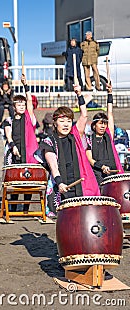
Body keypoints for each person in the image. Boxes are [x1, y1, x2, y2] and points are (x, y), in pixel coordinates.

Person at [36, 85, 100, 216]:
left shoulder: (75, 135)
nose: (66, 124)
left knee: (84, 217)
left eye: (69, 121)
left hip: (79, 182)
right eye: (62, 121)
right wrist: (60, 184)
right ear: (55, 123)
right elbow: (53, 167)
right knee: (67, 220)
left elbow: (84, 115)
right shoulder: (49, 142)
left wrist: (79, 94)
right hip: (62, 184)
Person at [0, 74, 38, 212]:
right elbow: (8, 136)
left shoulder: (29, 118)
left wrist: (25, 85)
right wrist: (13, 147)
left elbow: (29, 101)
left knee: (28, 179)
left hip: (28, 153)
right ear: (14, 106)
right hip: (13, 151)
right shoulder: (9, 121)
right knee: (15, 180)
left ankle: (26, 208)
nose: (22, 106)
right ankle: (14, 206)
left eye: (23, 104)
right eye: (18, 104)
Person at [86, 84, 124, 185]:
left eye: (105, 124)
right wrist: (101, 167)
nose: (103, 126)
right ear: (94, 126)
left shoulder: (109, 135)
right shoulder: (88, 139)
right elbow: (90, 159)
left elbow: (110, 113)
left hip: (112, 172)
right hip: (97, 174)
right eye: (100, 124)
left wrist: (110, 93)